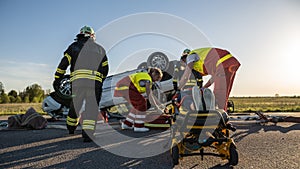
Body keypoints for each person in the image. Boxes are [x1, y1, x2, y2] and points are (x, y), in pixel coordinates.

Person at [53, 26, 109, 142]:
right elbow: (105, 69)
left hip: (78, 83)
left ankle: (71, 128)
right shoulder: (100, 49)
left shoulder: (73, 47)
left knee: (75, 105)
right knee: (91, 108)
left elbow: (63, 64)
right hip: (94, 84)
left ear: (80, 34)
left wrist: (57, 78)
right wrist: (100, 80)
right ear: (92, 36)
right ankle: (88, 134)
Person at [114, 67, 164, 132]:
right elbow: (149, 95)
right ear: (154, 74)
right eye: (157, 78)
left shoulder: (146, 77)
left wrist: (160, 105)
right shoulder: (147, 78)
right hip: (126, 87)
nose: (157, 80)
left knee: (137, 106)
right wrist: (157, 108)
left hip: (123, 88)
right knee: (142, 103)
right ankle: (138, 126)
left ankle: (127, 124)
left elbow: (151, 95)